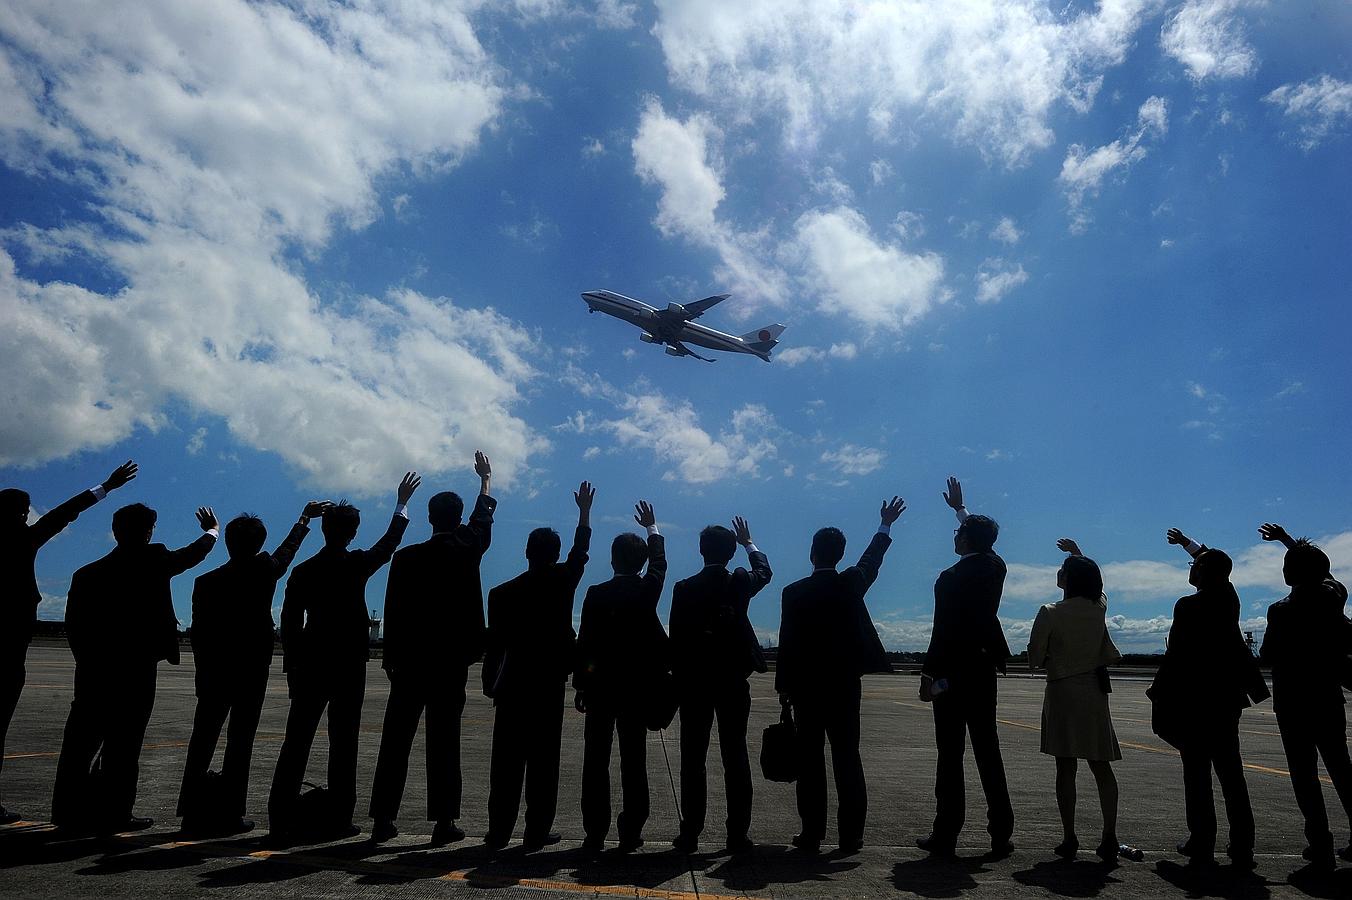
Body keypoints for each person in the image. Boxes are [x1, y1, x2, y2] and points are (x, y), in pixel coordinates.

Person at [267, 472, 419, 845]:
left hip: (311, 664)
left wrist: (294, 665)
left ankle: (279, 819)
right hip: (349, 666)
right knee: (344, 741)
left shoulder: (303, 571)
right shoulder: (355, 565)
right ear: (352, 533)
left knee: (296, 742)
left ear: (324, 531)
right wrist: (401, 503)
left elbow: (289, 623)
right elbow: (388, 544)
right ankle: (340, 817)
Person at [51, 501, 218, 833]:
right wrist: (213, 531)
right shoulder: (154, 559)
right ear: (149, 531)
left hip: (93, 672)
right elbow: (191, 555)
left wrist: (88, 662)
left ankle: (67, 812)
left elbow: (75, 627)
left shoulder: (85, 574)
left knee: (80, 744)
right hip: (136, 670)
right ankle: (115, 812)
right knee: (124, 745)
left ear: (115, 531)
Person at [176, 500, 333, 836]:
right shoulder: (265, 570)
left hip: (213, 672)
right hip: (250, 671)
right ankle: (231, 813)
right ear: (260, 543)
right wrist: (304, 517)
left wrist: (203, 673)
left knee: (202, 739)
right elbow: (289, 549)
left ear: (230, 543)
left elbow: (199, 634)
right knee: (240, 741)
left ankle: (191, 813)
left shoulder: (205, 582)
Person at [0, 460, 138, 824]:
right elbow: (64, 513)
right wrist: (106, 486)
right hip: (8, 649)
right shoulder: (21, 538)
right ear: (21, 513)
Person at [370, 454, 494, 846]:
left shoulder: (406, 558)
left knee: (395, 742)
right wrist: (485, 480)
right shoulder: (466, 546)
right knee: (444, 742)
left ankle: (383, 819)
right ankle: (443, 822)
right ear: (456, 520)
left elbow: (393, 607)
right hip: (450, 662)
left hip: (408, 664)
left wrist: (391, 658)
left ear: (430, 519)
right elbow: (482, 518)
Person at [776, 496, 904, 854]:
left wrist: (784, 687)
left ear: (812, 553)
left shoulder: (794, 592)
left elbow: (787, 643)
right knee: (847, 758)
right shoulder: (850, 582)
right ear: (839, 555)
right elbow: (871, 561)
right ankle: (851, 835)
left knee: (811, 761)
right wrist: (885, 525)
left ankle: (812, 832)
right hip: (845, 686)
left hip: (806, 689)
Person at [482, 481, 593, 851]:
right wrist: (584, 512)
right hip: (547, 685)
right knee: (544, 764)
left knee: (506, 765)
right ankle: (535, 831)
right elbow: (580, 553)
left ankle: (498, 829)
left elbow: (494, 646)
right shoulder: (562, 582)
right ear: (554, 555)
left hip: (511, 685)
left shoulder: (500, 594)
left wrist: (490, 685)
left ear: (526, 552)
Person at [1148, 528, 1267, 868]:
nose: (1189, 567)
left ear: (1200, 572)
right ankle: (1243, 844)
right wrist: (1189, 544)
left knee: (1196, 773)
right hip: (1227, 698)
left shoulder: (1187, 605)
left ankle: (1202, 840)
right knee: (1232, 773)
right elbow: (1217, 560)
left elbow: (1177, 655)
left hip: (1194, 699)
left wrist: (1159, 692)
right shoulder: (1230, 597)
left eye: (1193, 564)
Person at [917, 476, 1014, 858]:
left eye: (959, 532)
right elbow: (985, 545)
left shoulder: (949, 579)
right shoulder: (995, 568)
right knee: (988, 751)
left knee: (950, 756)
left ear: (966, 541)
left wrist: (928, 676)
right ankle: (1000, 833)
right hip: (983, 670)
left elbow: (941, 633)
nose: (954, 536)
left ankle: (947, 832)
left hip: (951, 675)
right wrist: (961, 509)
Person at [1027, 540, 1140, 862]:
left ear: (1067, 579)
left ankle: (1069, 836)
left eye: (1063, 570)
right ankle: (1109, 834)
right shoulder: (1098, 607)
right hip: (1093, 690)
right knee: (1101, 766)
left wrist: (1051, 658)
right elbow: (1099, 587)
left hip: (1062, 690)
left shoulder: (1050, 612)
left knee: (1065, 767)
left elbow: (1035, 657)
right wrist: (1078, 554)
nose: (1058, 572)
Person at [669, 515, 772, 854]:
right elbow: (764, 572)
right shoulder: (739, 584)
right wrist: (749, 543)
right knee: (735, 756)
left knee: (693, 760)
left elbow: (677, 642)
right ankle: (737, 834)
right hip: (731, 681)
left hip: (695, 683)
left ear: (700, 551)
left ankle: (691, 832)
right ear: (730, 555)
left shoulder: (684, 588)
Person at [574, 500, 667, 854]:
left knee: (596, 761)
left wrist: (582, 684)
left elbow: (586, 645)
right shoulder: (646, 591)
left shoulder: (596, 594)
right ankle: (631, 830)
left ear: (612, 560)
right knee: (634, 760)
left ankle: (594, 831)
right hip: (636, 690)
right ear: (640, 563)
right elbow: (659, 565)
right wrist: (652, 528)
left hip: (600, 689)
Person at [1258, 523, 1352, 871]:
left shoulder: (1281, 609)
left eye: (1287, 565)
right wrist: (1287, 541)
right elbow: (1324, 571)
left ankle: (1320, 844)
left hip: (1293, 701)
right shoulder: (1334, 596)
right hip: (1327, 697)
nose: (1283, 569)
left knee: (1304, 775)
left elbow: (1267, 655)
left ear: (1294, 572)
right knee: (1342, 769)